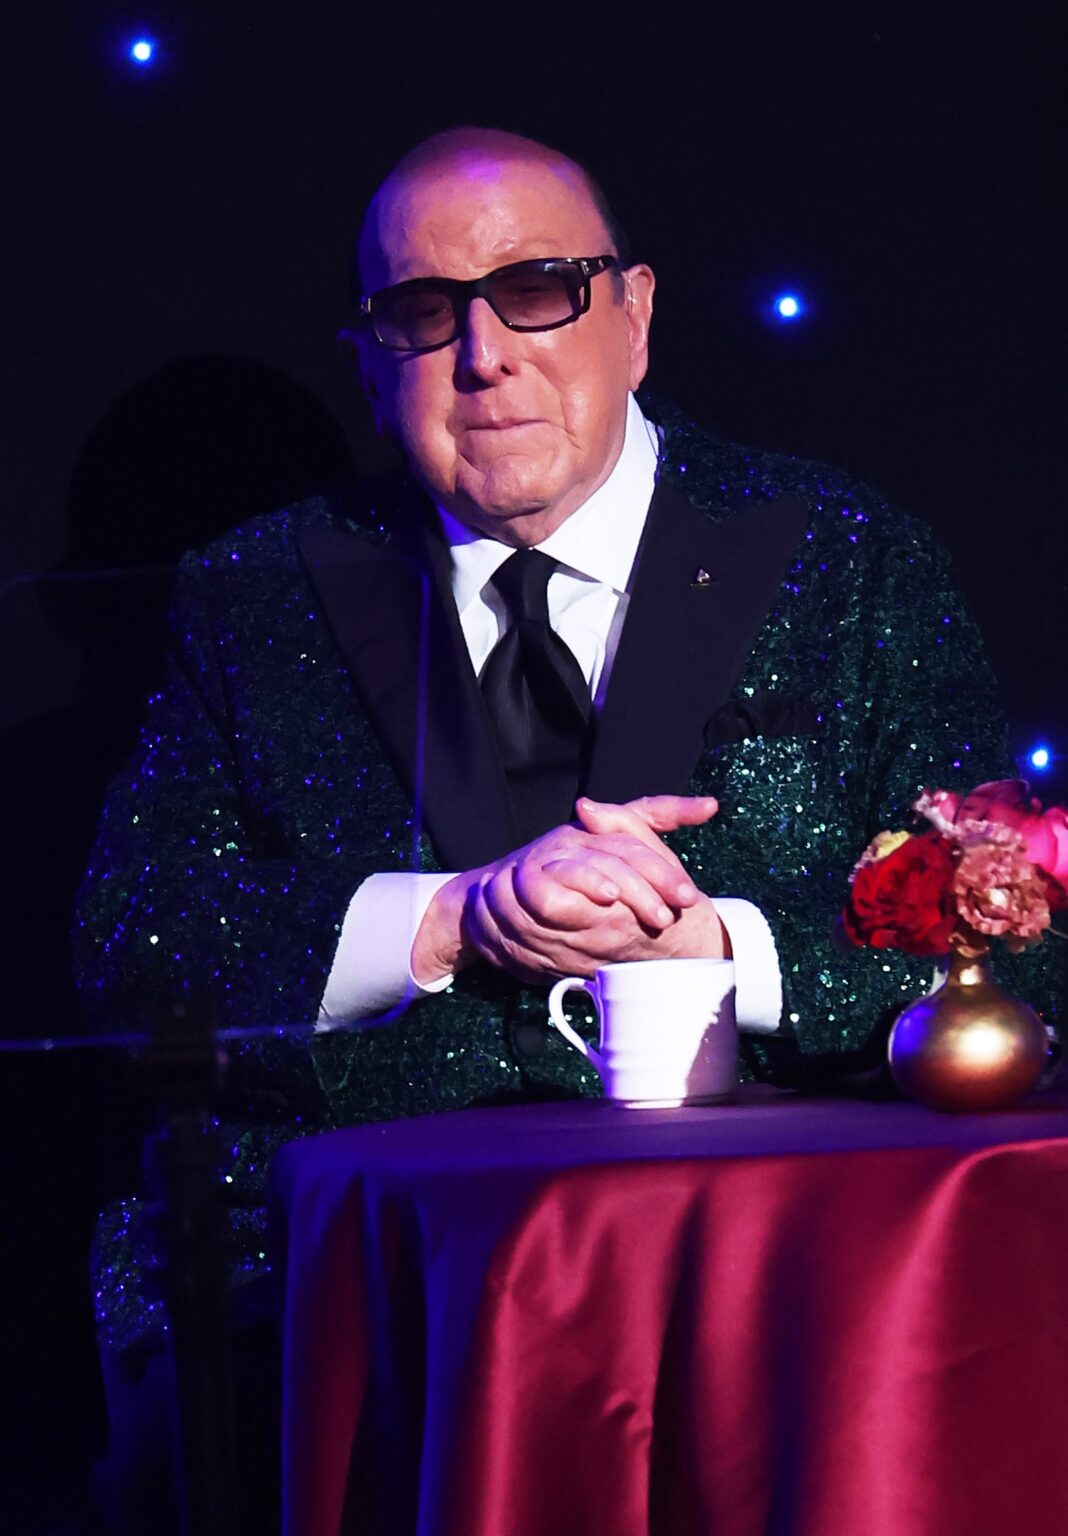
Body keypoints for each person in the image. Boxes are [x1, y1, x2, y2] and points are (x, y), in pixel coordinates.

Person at [77, 126, 1061, 1369]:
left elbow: (1030, 949)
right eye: (423, 315)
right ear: (371, 368)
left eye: (537, 293)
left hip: (784, 1301)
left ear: (635, 316)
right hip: (359, 1316)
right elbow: (129, 937)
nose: (483, 359)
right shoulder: (255, 594)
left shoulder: (855, 563)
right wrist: (451, 918)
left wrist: (717, 946)